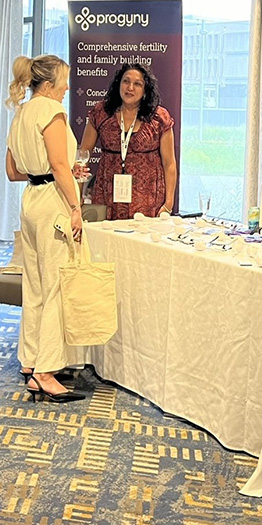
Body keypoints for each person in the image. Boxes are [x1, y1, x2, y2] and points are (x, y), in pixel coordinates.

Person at [5, 55, 85, 402]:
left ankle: (31, 360)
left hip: (31, 201)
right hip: (53, 205)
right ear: (49, 84)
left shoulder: (21, 112)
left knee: (34, 286)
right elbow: (57, 163)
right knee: (55, 286)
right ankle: (47, 371)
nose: (68, 88)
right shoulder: (51, 112)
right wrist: (75, 206)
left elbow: (12, 171)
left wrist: (54, 174)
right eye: (65, 82)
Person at [78, 63, 177, 219]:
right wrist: (78, 194)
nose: (130, 87)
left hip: (148, 201)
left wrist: (168, 205)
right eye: (126, 81)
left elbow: (169, 164)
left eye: (137, 84)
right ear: (119, 84)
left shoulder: (159, 117)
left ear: (145, 90)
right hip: (107, 197)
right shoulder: (101, 112)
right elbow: (83, 155)